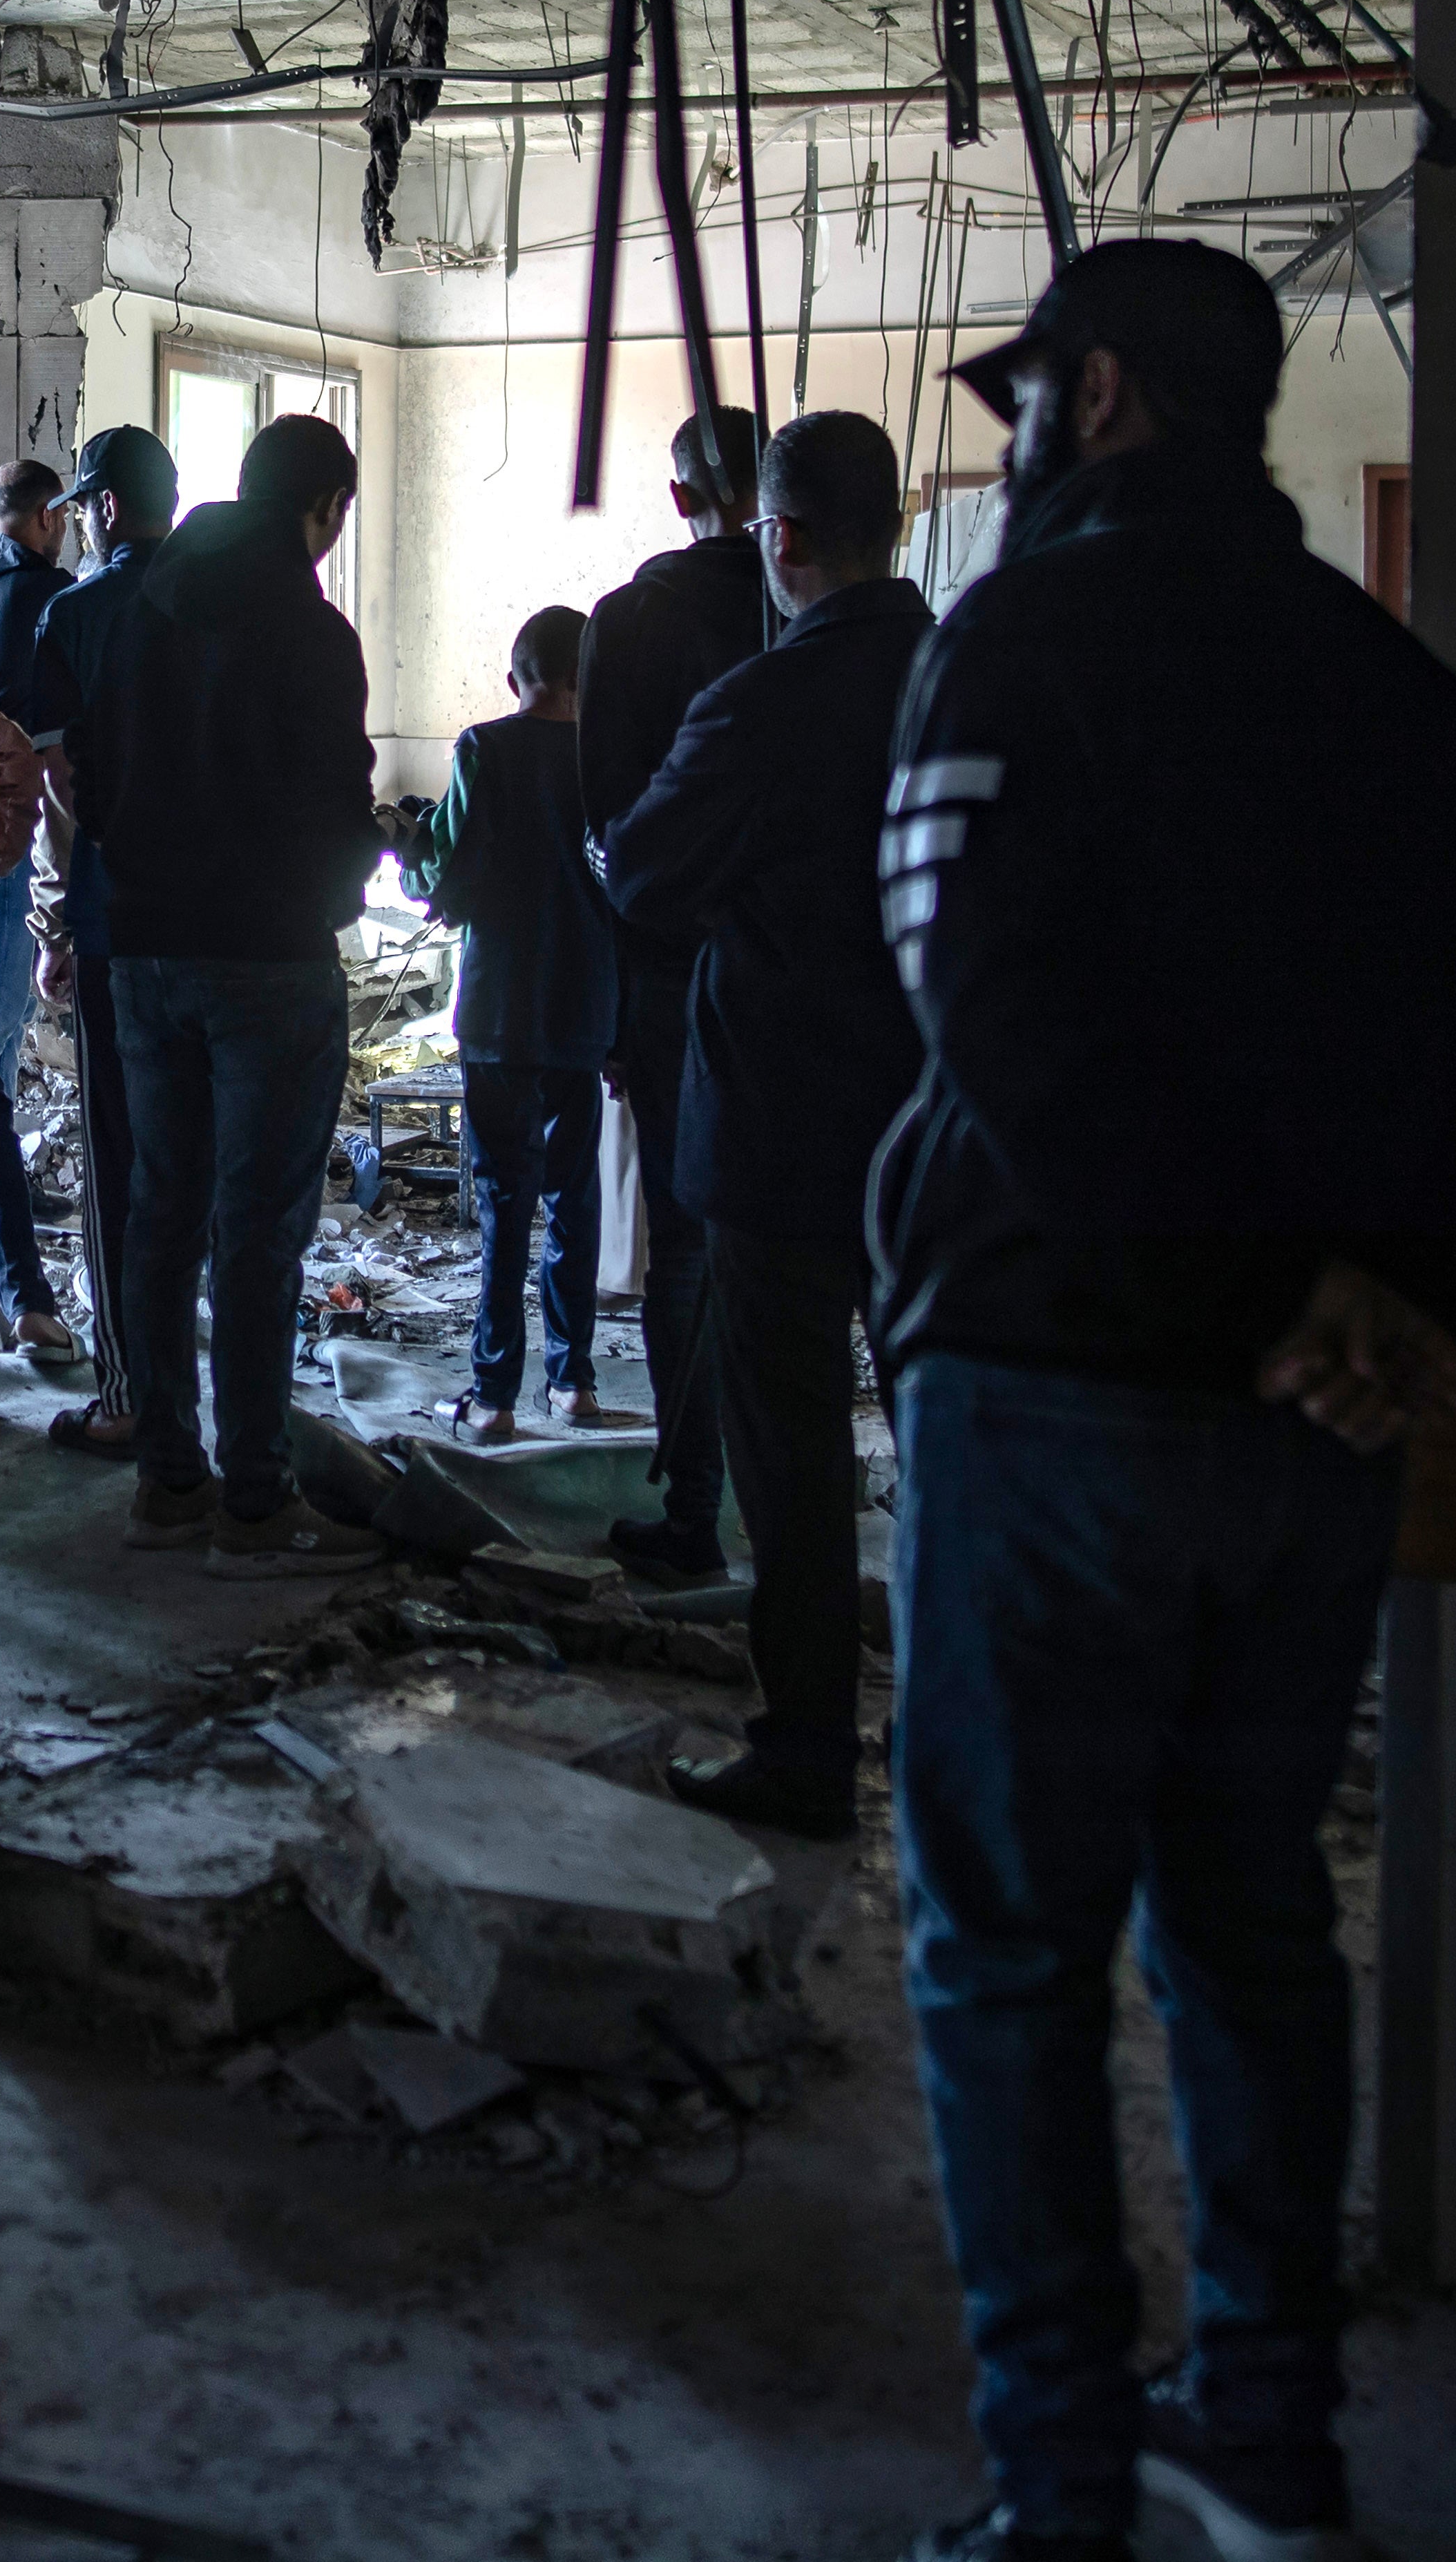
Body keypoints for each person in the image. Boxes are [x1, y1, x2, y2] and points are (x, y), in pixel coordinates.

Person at [869, 243, 1456, 2562]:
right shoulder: (1410, 700)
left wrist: (1249, 1289)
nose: (1005, 447)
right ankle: (1269, 2433)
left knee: (1010, 1952)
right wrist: (1405, 1307)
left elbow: (1000, 1018)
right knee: (1256, 1921)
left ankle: (1062, 2494)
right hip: (1319, 1441)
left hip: (1066, 1395)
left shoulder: (1019, 646)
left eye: (1021, 404)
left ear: (1097, 402)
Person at [601, 412, 930, 1841]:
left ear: (778, 539)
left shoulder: (760, 703)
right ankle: (947, 1732)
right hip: (939, 1132)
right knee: (943, 1443)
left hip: (785, 1131)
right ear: (900, 523)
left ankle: (807, 1750)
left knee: (793, 1464)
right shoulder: (968, 677)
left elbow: (648, 878)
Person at [63, 410, 390, 1577]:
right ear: (322, 510)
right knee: (258, 1234)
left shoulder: (134, 611)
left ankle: (168, 1484)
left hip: (145, 952)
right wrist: (345, 885)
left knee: (164, 1216)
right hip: (267, 958)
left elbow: (88, 777)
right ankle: (256, 1507)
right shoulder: (313, 634)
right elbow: (339, 812)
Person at [579, 400, 772, 1582]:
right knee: (824, 1246)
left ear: (679, 496)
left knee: (689, 1247)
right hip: (814, 974)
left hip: (671, 975)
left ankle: (695, 1514)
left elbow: (608, 831)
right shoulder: (815, 620)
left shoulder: (634, 619)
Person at [395, 605, 619, 1443]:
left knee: (502, 1201)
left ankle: (492, 1398)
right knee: (573, 1195)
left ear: (512, 676)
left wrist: (414, 842)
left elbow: (442, 875)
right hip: (584, 1008)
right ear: (583, 677)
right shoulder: (608, 756)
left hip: (498, 1011)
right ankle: (576, 1384)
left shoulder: (482, 747)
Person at [6, 424, 180, 1457]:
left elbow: (61, 794)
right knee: (194, 1161)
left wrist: (57, 925)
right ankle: (205, 1394)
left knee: (118, 1164)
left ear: (103, 508)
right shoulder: (221, 607)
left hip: (119, 925)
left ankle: (130, 1396)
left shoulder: (75, 615)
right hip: (219, 928)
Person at [0, 458, 82, 1365]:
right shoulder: (54, 603)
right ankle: (19, 1290)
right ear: (47, 519)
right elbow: (50, 779)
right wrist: (45, 910)